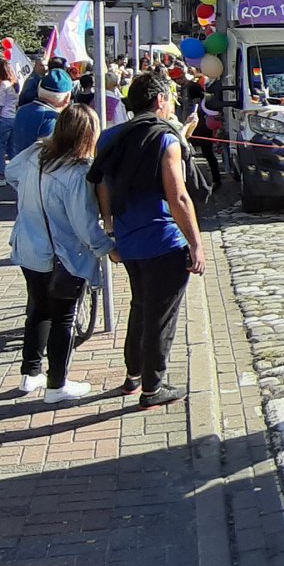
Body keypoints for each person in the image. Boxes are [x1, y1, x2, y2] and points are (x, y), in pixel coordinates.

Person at [90, 72, 204, 408]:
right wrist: (196, 242)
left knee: (140, 306)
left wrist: (110, 226)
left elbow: (101, 183)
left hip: (128, 238)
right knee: (161, 316)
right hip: (164, 239)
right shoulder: (165, 138)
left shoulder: (110, 137)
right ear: (159, 100)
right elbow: (178, 196)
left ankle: (134, 374)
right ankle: (153, 388)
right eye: (169, 99)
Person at [7, 103, 111, 403]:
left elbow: (11, 172)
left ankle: (30, 373)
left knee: (38, 309)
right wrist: (108, 247)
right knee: (63, 317)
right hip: (60, 255)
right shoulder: (77, 173)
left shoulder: (37, 154)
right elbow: (85, 225)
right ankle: (57, 384)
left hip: (29, 246)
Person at [9, 68, 74, 159]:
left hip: (18, 163)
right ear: (67, 98)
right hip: (38, 166)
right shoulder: (53, 118)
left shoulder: (21, 110)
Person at [0, 59, 21, 182]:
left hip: (4, 118)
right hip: (13, 117)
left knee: (0, 148)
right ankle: (14, 173)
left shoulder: (3, 84)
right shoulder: (14, 84)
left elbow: (0, 105)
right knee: (12, 148)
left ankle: (2, 175)